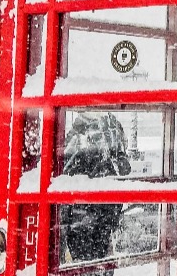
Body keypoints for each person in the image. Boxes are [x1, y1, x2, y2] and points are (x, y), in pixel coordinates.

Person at [58, 113, 131, 272]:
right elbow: (63, 170)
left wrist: (116, 157)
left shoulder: (111, 127)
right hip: (83, 221)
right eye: (96, 137)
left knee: (97, 265)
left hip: (101, 220)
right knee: (86, 265)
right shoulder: (79, 143)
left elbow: (124, 168)